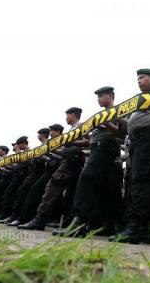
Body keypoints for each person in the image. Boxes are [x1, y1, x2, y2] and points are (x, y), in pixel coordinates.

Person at [54, 86, 126, 237]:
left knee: (86, 182)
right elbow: (92, 139)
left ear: (111, 95)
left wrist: (106, 124)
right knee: (106, 190)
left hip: (106, 150)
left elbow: (122, 134)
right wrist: (75, 141)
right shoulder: (98, 115)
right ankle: (108, 226)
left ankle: (77, 224)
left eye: (101, 96)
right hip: (98, 150)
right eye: (97, 96)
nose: (98, 99)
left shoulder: (120, 111)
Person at [110, 69, 150, 244]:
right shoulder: (138, 101)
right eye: (137, 79)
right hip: (137, 141)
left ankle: (137, 228)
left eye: (142, 78)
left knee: (142, 183)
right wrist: (118, 120)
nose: (139, 81)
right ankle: (140, 227)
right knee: (137, 184)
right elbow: (131, 125)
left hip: (149, 139)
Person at [19, 107, 86, 230]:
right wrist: (55, 149)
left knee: (53, 187)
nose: (66, 118)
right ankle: (67, 222)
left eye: (68, 115)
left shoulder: (81, 126)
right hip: (69, 160)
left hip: (72, 161)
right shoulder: (71, 130)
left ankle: (41, 219)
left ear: (73, 115)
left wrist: (71, 145)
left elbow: (88, 142)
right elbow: (66, 149)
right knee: (70, 194)